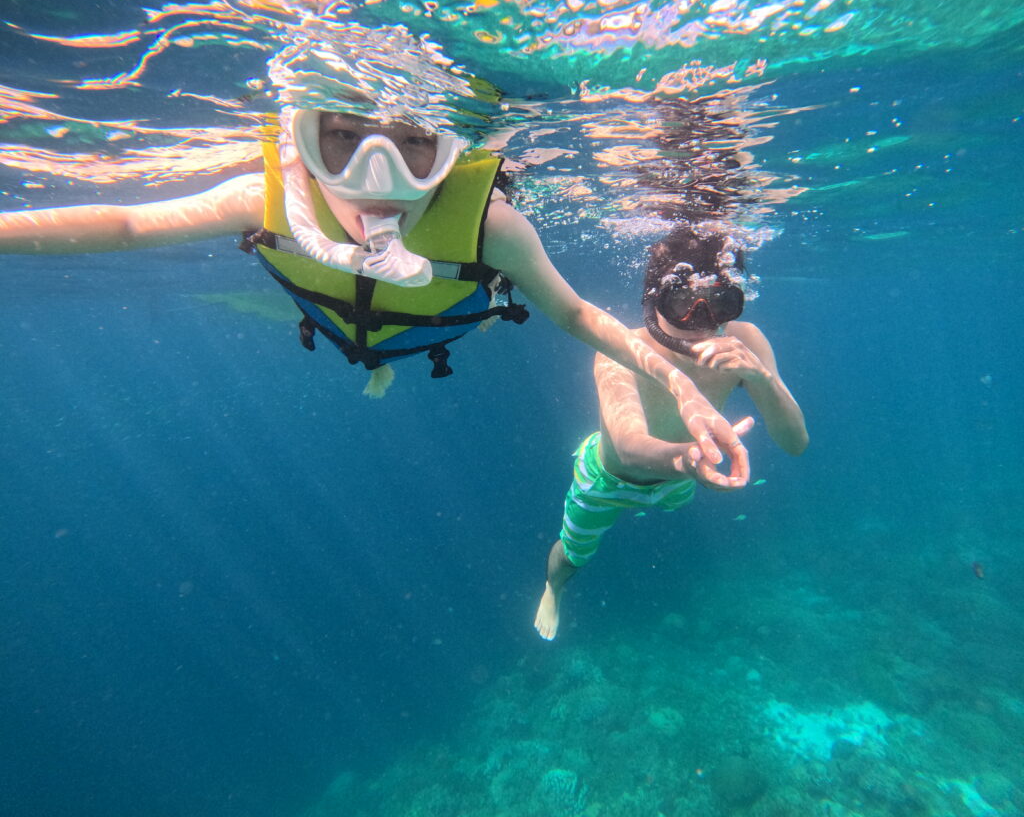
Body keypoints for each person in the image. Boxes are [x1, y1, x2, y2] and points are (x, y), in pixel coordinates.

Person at [0, 91, 750, 478]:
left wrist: (677, 386)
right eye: (345, 140)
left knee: (481, 308)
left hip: (443, 315)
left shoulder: (493, 230)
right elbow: (129, 224)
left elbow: (578, 312)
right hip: (340, 319)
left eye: (417, 148)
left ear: (450, 157)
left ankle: (414, 347)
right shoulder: (262, 199)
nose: (377, 185)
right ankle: (381, 362)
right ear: (304, 141)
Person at [534, 226, 808, 640]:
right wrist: (689, 461)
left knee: (672, 504)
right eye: (683, 302)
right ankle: (552, 589)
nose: (701, 320)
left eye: (720, 303)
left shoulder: (745, 341)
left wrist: (763, 379)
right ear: (654, 298)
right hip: (607, 480)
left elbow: (795, 443)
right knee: (573, 556)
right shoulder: (621, 347)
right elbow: (627, 448)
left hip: (683, 478)